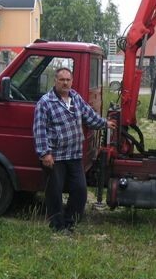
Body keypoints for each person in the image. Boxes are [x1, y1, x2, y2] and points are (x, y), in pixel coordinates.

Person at [33, 67, 117, 232]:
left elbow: (89, 116)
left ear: (71, 81)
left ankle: (70, 221)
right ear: (55, 81)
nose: (65, 83)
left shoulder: (76, 98)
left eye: (68, 80)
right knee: (54, 192)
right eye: (61, 80)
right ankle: (57, 225)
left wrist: (105, 123)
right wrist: (45, 153)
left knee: (80, 190)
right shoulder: (45, 102)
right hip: (55, 156)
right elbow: (39, 130)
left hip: (74, 154)